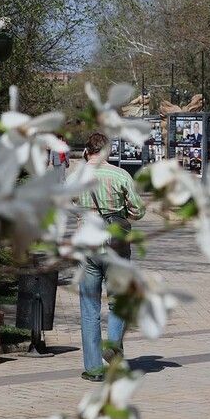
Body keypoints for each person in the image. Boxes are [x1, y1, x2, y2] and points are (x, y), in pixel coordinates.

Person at [75, 132, 146, 382]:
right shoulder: (120, 175)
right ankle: (113, 343)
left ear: (87, 151)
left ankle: (93, 368)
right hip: (116, 244)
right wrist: (122, 211)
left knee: (89, 306)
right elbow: (139, 210)